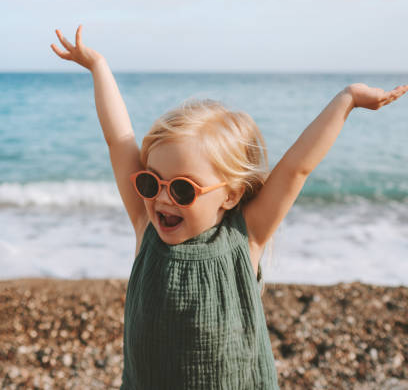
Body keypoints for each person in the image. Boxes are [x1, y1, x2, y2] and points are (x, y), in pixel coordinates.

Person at [50, 25, 408, 390]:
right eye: (149, 181)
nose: (161, 197)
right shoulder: (146, 225)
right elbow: (118, 139)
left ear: (231, 195)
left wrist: (346, 99)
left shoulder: (245, 237)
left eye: (183, 189)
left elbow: (297, 168)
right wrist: (99, 67)